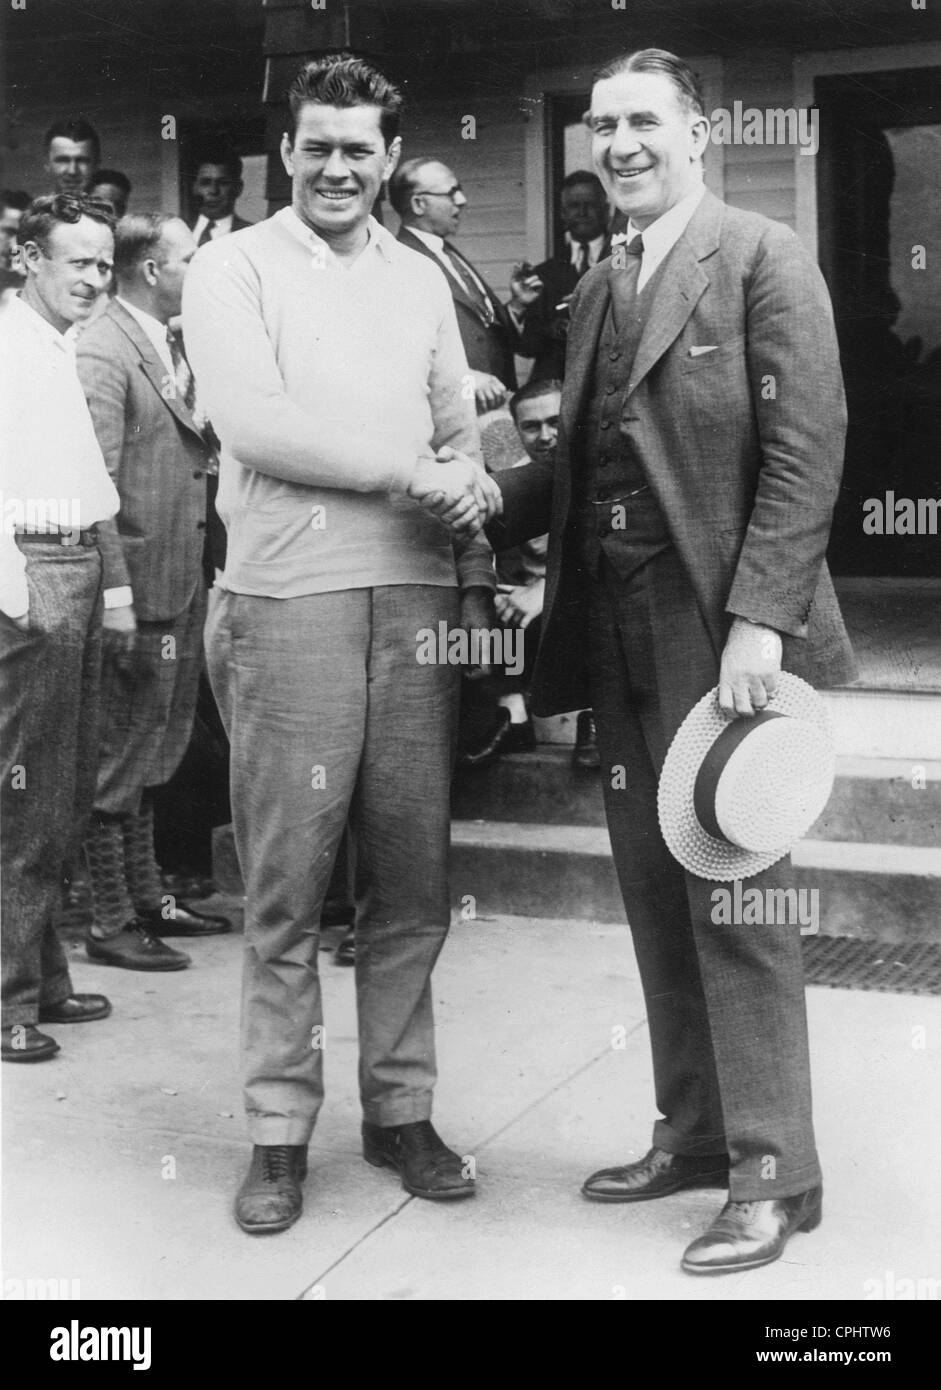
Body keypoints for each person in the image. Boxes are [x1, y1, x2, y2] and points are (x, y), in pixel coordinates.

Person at [475, 48, 857, 1275]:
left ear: (699, 132)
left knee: (735, 892)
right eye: (602, 126)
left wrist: (759, 617)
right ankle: (693, 1135)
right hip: (617, 625)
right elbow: (576, 462)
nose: (619, 144)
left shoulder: (758, 256)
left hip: (717, 628)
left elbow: (806, 453)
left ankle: (771, 1172)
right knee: (654, 886)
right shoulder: (598, 288)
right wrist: (472, 493)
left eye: (643, 121)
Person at [183, 52, 501, 1234]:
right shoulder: (231, 267)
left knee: (411, 880)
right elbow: (256, 424)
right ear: (286, 152)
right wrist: (417, 473)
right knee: (285, 888)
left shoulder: (418, 275)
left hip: (415, 605)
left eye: (357, 147)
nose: (335, 166)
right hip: (287, 601)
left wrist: (463, 480)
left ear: (385, 156)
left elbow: (454, 422)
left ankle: (400, 1108)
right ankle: (276, 1131)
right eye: (315, 144)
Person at [75, 213, 232, 973]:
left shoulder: (165, 342)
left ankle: (145, 899)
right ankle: (108, 919)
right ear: (150, 269)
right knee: (120, 754)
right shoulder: (105, 346)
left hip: (178, 578)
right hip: (136, 588)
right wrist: (114, 592)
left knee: (157, 746)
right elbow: (93, 482)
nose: (198, 271)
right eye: (189, 258)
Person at [0, 193, 118, 1063]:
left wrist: (105, 591)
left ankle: (42, 979)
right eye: (76, 260)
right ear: (29, 259)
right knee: (25, 798)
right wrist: (18, 599)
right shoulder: (7, 347)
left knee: (63, 791)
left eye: (104, 263)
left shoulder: (56, 346)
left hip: (72, 565)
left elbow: (88, 483)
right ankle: (8, 1002)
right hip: (32, 576)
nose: (93, 277)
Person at [458, 378, 559, 767]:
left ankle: (592, 723)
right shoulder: (515, 480)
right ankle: (510, 712)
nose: (546, 436)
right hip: (530, 611)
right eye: (531, 427)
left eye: (556, 422)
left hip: (584, 602)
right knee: (467, 619)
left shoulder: (603, 468)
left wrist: (549, 589)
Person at [390, 157, 517, 412]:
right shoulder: (398, 261)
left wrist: (518, 306)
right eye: (451, 193)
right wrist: (464, 377)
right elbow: (399, 347)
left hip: (493, 408)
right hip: (451, 411)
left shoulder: (447, 252)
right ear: (419, 203)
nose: (462, 200)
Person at [511, 171, 611, 381]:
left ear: (606, 210)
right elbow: (528, 348)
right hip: (558, 390)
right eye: (574, 206)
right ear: (563, 214)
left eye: (590, 204)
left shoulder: (623, 260)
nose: (583, 212)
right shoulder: (544, 274)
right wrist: (553, 329)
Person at [190, 153, 253, 244]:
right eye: (205, 183)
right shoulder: (175, 232)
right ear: (194, 187)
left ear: (238, 188)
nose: (213, 191)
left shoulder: (251, 234)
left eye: (223, 183)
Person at [43, 119, 100, 196]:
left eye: (82, 161)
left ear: (97, 164)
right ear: (47, 164)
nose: (72, 171)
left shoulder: (113, 208)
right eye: (63, 160)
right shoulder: (35, 208)